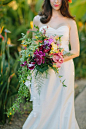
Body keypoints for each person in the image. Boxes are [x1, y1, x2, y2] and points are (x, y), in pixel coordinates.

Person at [22, 0, 80, 128]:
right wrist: (40, 58)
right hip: (43, 69)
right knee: (44, 102)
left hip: (64, 69)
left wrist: (55, 58)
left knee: (63, 104)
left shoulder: (70, 22)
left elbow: (75, 51)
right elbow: (34, 47)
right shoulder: (38, 20)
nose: (56, 1)